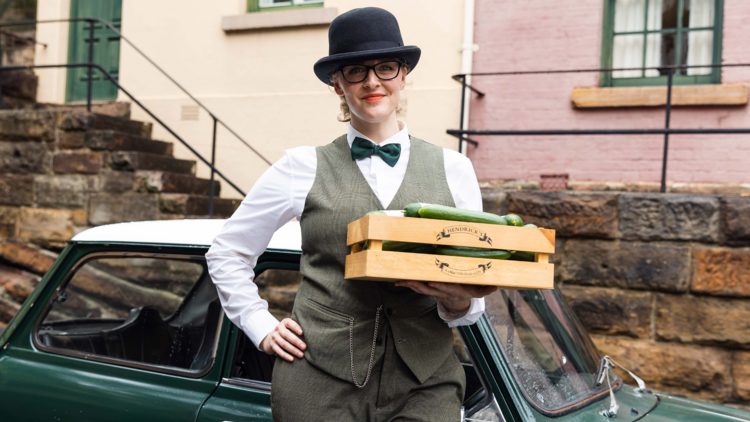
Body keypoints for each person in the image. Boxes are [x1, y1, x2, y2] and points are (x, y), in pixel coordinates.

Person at [206, 7, 497, 422]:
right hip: (318, 382)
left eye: (385, 67)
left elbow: (470, 298)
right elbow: (227, 252)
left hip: (426, 382)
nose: (373, 81)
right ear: (337, 83)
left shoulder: (455, 169)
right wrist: (260, 324)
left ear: (403, 75)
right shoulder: (299, 166)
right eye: (356, 71)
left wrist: (456, 298)